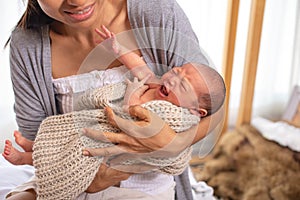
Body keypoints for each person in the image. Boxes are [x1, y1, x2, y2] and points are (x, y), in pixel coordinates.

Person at [1, 0, 225, 200]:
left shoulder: (155, 10)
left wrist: (172, 143)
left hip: (144, 185)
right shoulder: (27, 44)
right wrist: (116, 49)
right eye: (174, 72)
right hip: (72, 167)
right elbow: (42, 140)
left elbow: (212, 106)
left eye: (181, 83)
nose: (77, 2)